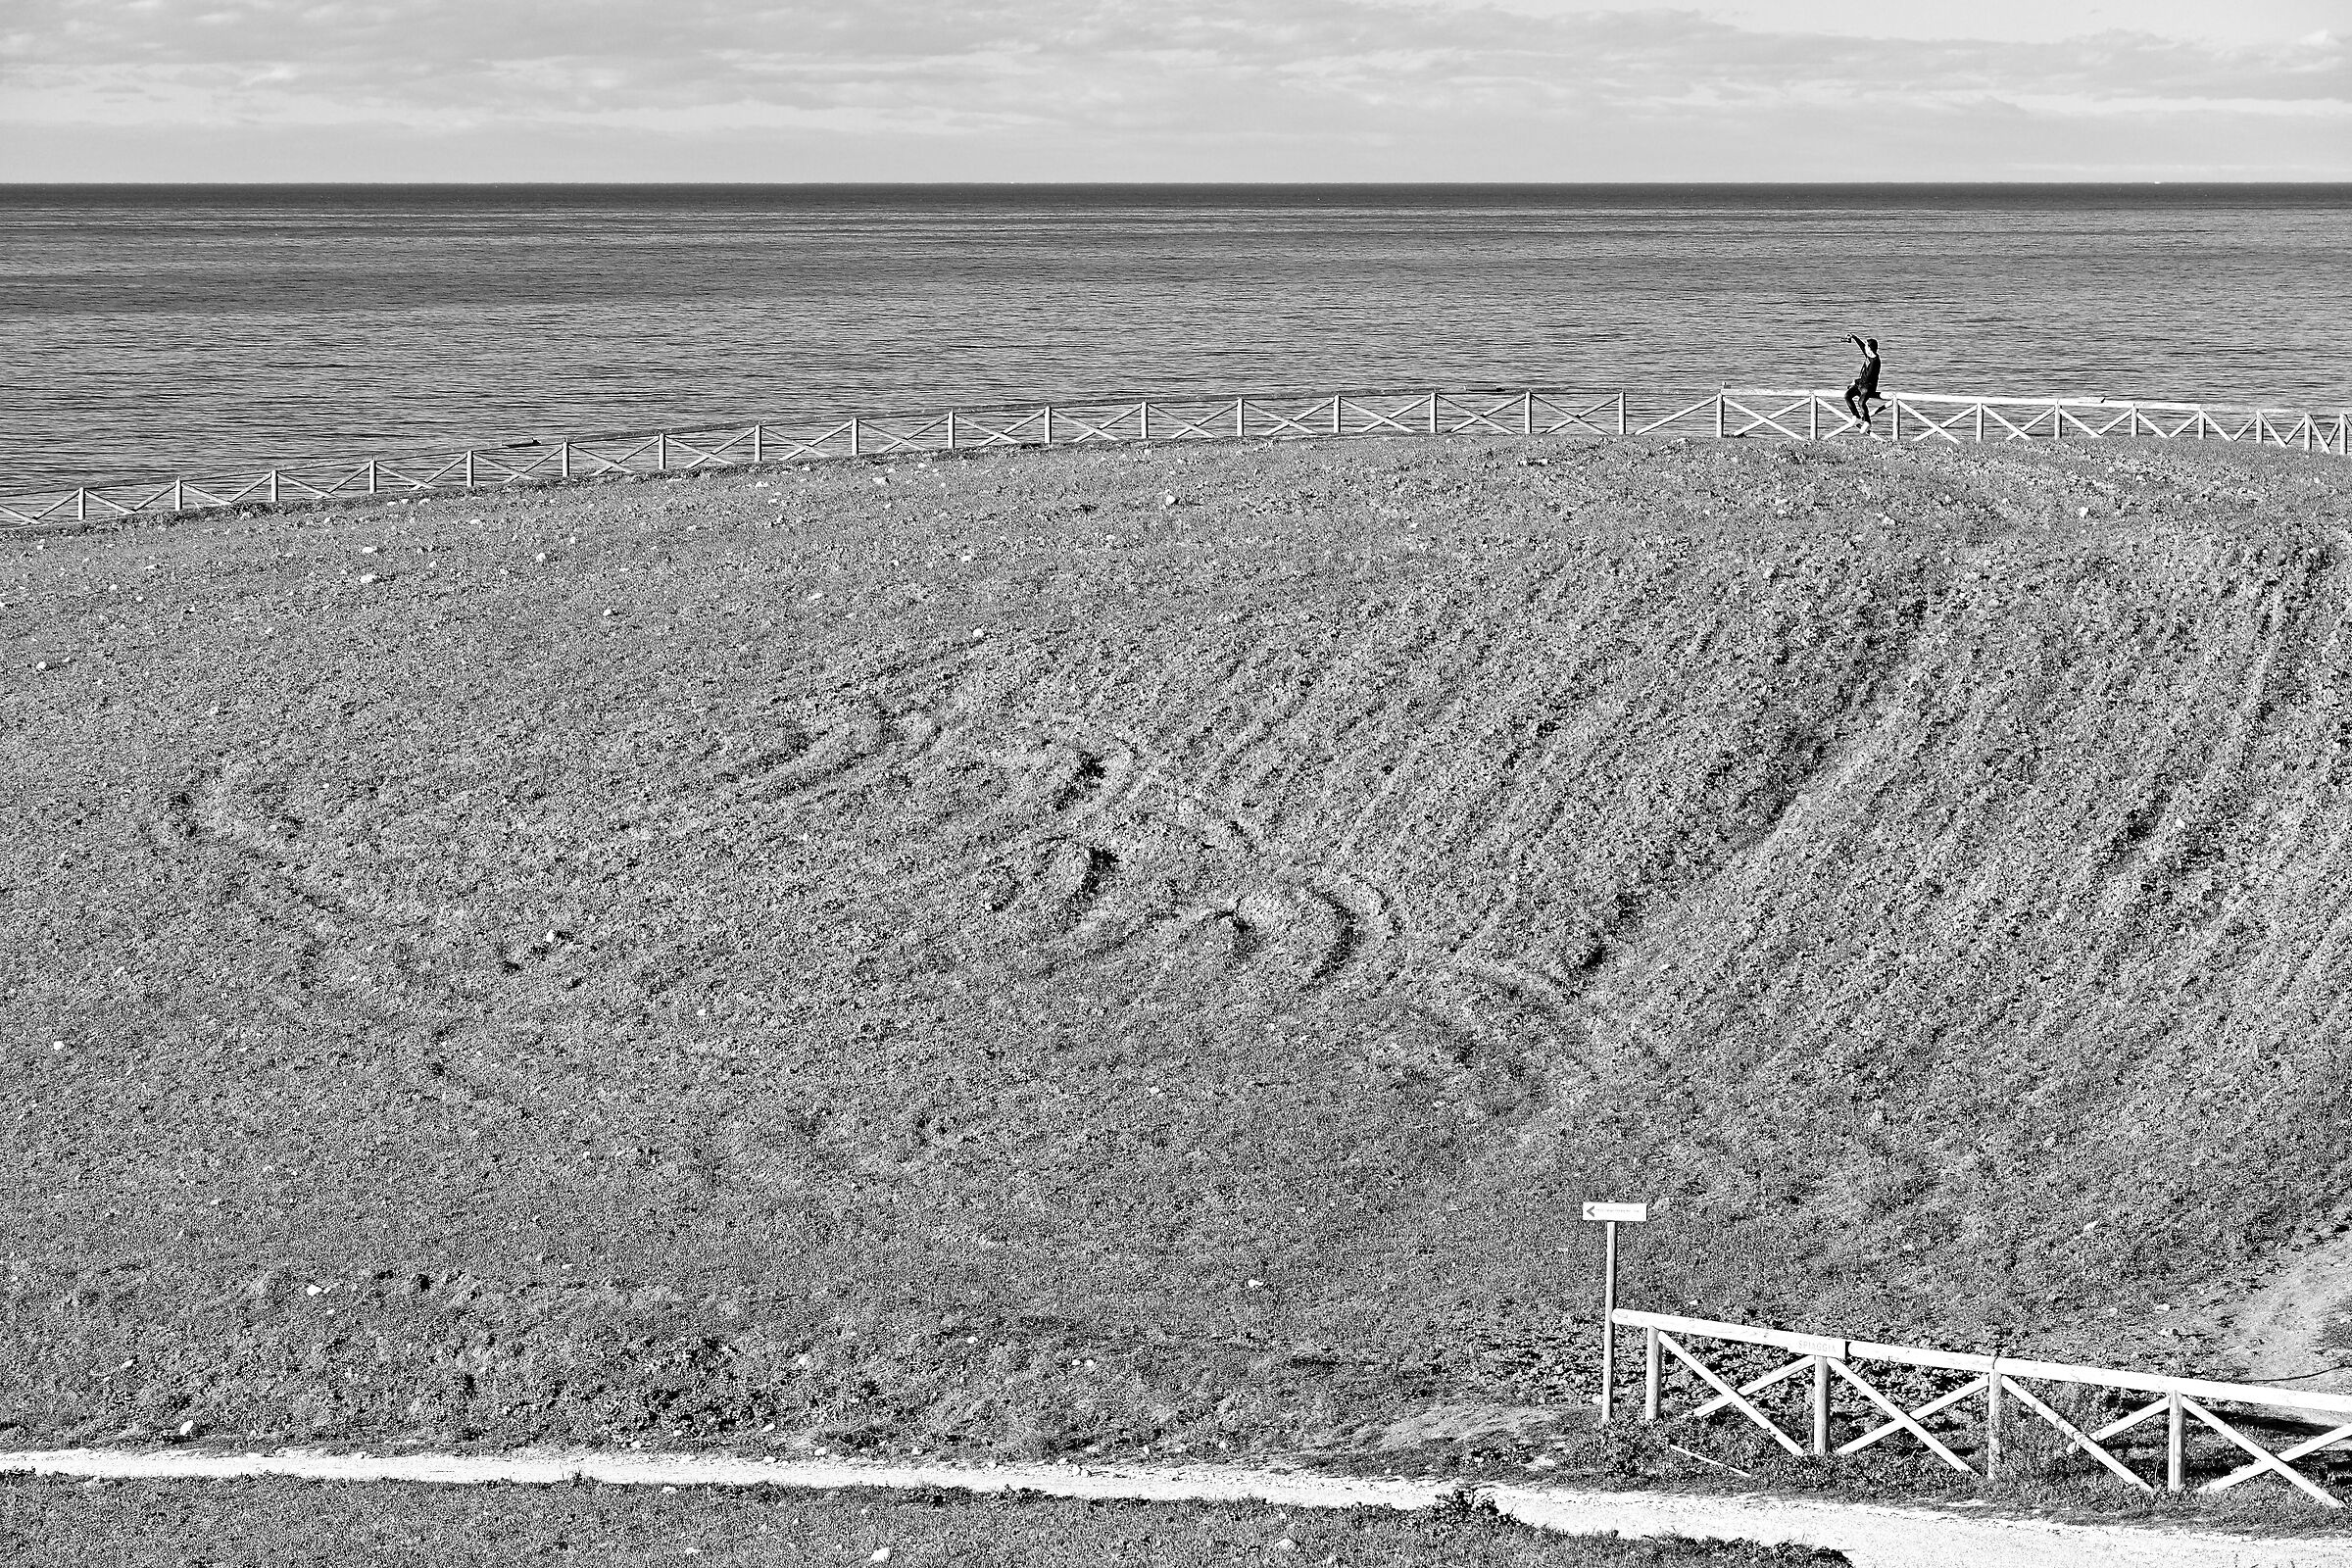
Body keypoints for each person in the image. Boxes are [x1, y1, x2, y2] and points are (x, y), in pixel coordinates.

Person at [1843, 335, 1884, 431]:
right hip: (1861, 384)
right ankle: (1856, 416)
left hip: (1869, 386)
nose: (1864, 347)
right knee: (1847, 396)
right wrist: (1853, 337)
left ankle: (1867, 422)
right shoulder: (1868, 355)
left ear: (1870, 348)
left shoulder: (1875, 362)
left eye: (1866, 346)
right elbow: (1861, 345)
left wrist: (1855, 381)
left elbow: (1868, 377)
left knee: (1861, 402)